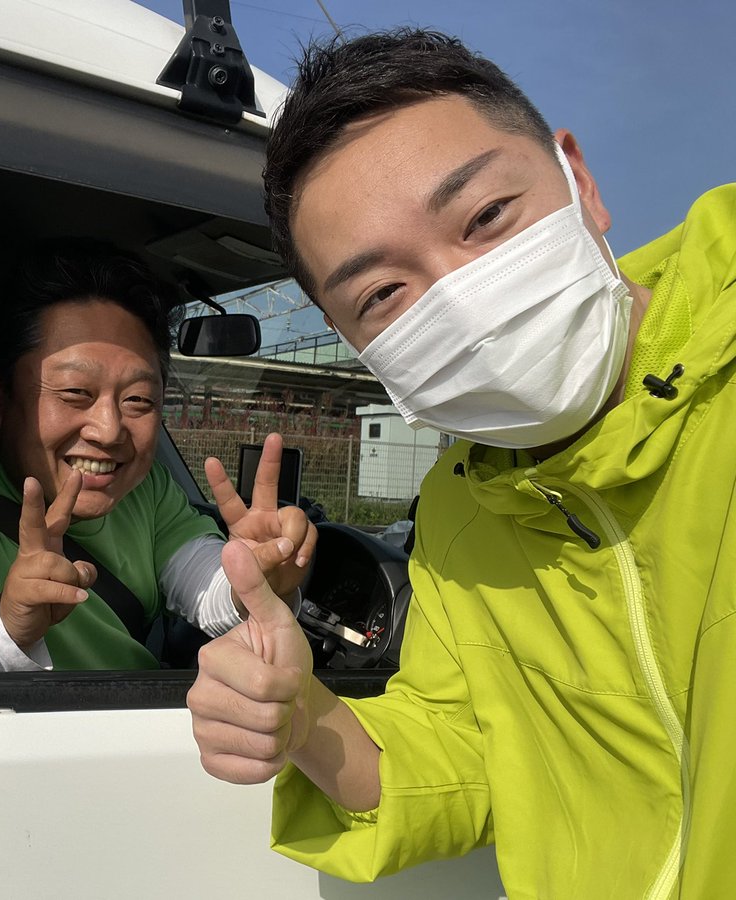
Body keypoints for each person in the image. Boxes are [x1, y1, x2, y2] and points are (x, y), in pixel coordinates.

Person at [186, 28, 736, 899]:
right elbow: (472, 756)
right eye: (383, 294)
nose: (463, 302)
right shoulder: (459, 508)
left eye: (485, 218)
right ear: (354, 342)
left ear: (579, 181)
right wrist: (304, 715)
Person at [0, 242, 317, 671]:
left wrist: (253, 578)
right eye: (75, 392)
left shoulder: (145, 487)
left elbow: (201, 578)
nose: (109, 431)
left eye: (138, 399)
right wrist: (8, 628)